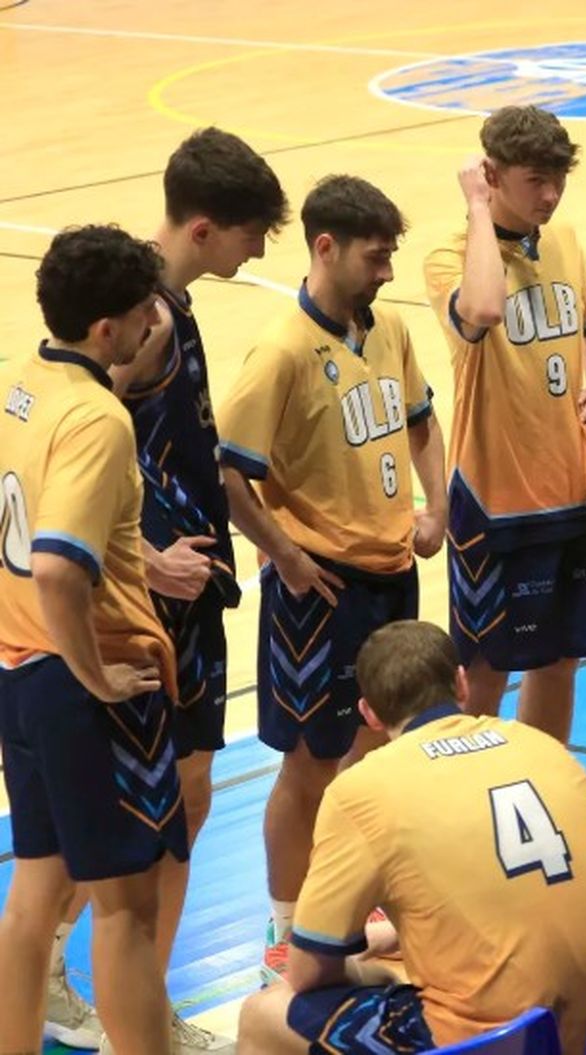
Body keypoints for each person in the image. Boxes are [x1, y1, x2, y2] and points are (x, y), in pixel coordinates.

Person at [51, 130, 288, 1054]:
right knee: (131, 815)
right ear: (203, 227)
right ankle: (80, 982)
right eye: (250, 233)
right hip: (145, 602)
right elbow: (87, 452)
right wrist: (147, 559)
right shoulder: (137, 321)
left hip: (196, 594)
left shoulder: (171, 306)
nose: (259, 250)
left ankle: (140, 1001)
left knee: (191, 795)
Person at [237, 621, 586, 1055]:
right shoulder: (541, 745)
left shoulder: (360, 790)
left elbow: (309, 973)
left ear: (369, 713)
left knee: (262, 1015)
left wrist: (374, 975)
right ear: (460, 683)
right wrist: (402, 937)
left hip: (505, 1042)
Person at [217, 176, 446, 980]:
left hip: (390, 578)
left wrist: (437, 503)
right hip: (318, 589)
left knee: (369, 752)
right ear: (325, 247)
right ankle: (285, 927)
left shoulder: (388, 332)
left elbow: (423, 423)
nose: (387, 271)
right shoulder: (280, 352)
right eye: (375, 256)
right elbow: (230, 475)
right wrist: (283, 552)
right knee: (308, 763)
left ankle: (350, 902)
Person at [0, 226, 187, 1055]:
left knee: (35, 892)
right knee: (126, 908)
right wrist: (98, 676)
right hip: (80, 686)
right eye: (146, 308)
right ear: (106, 329)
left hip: (16, 673)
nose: (158, 318)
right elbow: (56, 568)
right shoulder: (97, 418)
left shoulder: (17, 383)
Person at [423, 105, 586, 741]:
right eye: (536, 180)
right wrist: (478, 209)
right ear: (492, 174)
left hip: (577, 489)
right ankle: (470, 810)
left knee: (560, 662)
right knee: (484, 676)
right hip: (498, 502)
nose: (552, 194)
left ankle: (544, 781)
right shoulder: (451, 259)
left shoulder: (562, 239)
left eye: (559, 178)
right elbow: (481, 306)